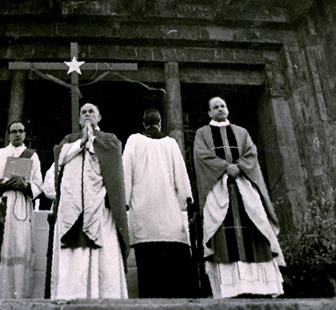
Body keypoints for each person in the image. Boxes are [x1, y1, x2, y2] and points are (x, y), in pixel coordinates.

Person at [193, 96, 284, 298]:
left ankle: (261, 286)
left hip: (244, 189)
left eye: (223, 106)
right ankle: (230, 287)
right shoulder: (202, 133)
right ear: (209, 113)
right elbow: (201, 155)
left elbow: (251, 153)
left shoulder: (241, 132)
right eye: (215, 107)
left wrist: (238, 167)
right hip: (219, 190)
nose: (220, 109)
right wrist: (226, 167)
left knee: (256, 226)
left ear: (228, 109)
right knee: (220, 232)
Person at [43, 102, 129, 299]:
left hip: (99, 208)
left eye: (92, 111)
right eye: (84, 112)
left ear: (99, 117)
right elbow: (60, 157)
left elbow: (114, 161)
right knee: (74, 257)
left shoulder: (109, 139)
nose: (87, 114)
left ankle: (105, 297)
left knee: (103, 254)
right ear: (79, 119)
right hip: (72, 207)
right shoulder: (69, 141)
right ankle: (71, 295)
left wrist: (92, 141)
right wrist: (80, 143)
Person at [122, 108, 194, 297]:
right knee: (172, 260)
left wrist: (125, 201)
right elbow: (181, 173)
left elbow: (125, 172)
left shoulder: (133, 141)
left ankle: (150, 297)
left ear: (143, 123)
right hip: (169, 209)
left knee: (148, 262)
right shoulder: (170, 143)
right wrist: (185, 200)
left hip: (143, 209)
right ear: (160, 123)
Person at [0, 120, 43, 298]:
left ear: (25, 134)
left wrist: (25, 186)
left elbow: (38, 184)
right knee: (1, 245)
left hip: (21, 203)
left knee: (20, 246)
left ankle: (19, 294)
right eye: (14, 132)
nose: (17, 134)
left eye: (21, 131)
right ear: (9, 134)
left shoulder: (32, 156)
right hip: (3, 202)